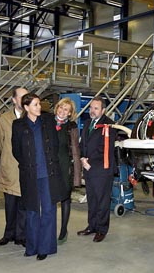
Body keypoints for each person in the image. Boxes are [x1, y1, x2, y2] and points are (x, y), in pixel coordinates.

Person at [11, 93, 67, 260]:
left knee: (49, 210)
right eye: (35, 105)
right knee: (32, 210)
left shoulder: (47, 121)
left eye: (39, 104)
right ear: (26, 107)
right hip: (30, 174)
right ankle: (32, 246)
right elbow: (16, 150)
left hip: (48, 174)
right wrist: (28, 164)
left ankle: (45, 247)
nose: (39, 107)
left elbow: (55, 145)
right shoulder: (18, 125)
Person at [77, 96, 116, 243]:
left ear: (103, 110)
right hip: (88, 168)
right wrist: (82, 158)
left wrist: (89, 162)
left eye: (96, 108)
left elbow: (106, 149)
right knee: (92, 199)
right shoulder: (88, 123)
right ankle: (92, 226)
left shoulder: (109, 126)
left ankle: (101, 229)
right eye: (91, 107)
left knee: (102, 201)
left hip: (101, 170)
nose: (92, 111)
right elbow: (83, 144)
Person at [0, 87, 29, 247]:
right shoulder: (3, 119)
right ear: (14, 100)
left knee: (24, 204)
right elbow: (0, 143)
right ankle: (8, 233)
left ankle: (21, 235)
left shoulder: (32, 117)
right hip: (9, 168)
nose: (23, 100)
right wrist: (9, 156)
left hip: (26, 168)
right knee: (10, 204)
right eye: (21, 97)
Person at [53, 98, 82, 245]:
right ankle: (49, 231)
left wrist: (76, 173)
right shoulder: (48, 123)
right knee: (50, 200)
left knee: (65, 199)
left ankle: (63, 230)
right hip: (51, 166)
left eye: (66, 110)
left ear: (70, 113)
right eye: (61, 107)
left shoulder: (72, 126)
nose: (62, 111)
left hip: (65, 167)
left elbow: (76, 150)